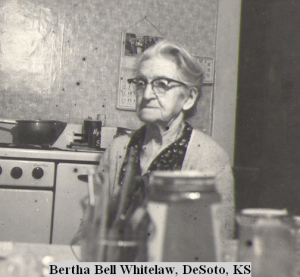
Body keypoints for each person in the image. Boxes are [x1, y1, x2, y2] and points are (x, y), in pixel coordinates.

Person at [85, 40, 234, 260]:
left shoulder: (209, 158)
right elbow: (92, 229)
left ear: (189, 98)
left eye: (161, 84)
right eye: (141, 83)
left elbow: (217, 252)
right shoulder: (118, 150)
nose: (146, 95)